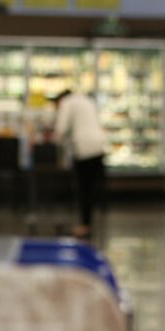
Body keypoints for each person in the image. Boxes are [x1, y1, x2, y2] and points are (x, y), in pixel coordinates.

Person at [53, 88, 108, 238]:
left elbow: (61, 129)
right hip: (99, 146)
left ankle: (85, 226)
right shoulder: (87, 100)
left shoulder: (66, 103)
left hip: (84, 149)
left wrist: (54, 141)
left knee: (84, 190)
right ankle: (88, 223)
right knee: (92, 189)